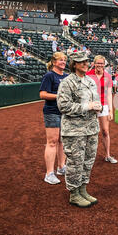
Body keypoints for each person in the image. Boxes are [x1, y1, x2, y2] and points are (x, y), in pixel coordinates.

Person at [57, 51, 102, 208]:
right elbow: (63, 106)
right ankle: (74, 194)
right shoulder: (67, 82)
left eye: (86, 61)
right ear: (74, 64)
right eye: (81, 61)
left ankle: (83, 189)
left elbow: (96, 100)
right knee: (76, 162)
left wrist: (98, 106)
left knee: (88, 161)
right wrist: (87, 106)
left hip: (91, 128)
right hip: (74, 130)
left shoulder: (90, 81)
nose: (85, 63)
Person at [39, 52, 69, 185]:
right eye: (60, 60)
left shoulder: (67, 76)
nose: (63, 62)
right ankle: (49, 173)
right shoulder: (49, 75)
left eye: (64, 60)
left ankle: (61, 167)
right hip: (52, 111)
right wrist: (59, 96)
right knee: (52, 142)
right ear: (54, 62)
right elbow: (42, 94)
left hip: (64, 112)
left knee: (63, 141)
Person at [86, 55, 118, 164]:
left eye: (102, 63)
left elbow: (109, 94)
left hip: (103, 105)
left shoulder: (108, 76)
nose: (100, 65)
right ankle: (87, 156)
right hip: (90, 106)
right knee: (89, 132)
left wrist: (110, 110)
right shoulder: (87, 75)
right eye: (98, 63)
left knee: (105, 131)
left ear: (104, 64)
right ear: (94, 64)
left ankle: (108, 155)